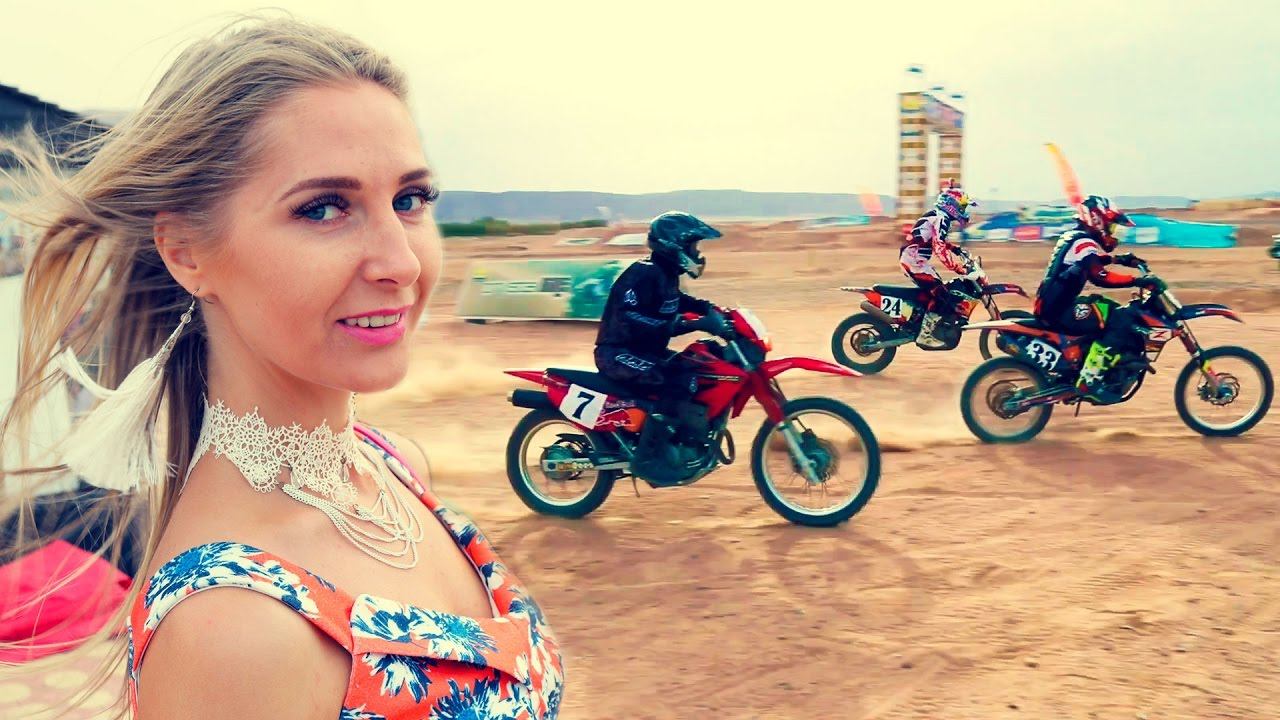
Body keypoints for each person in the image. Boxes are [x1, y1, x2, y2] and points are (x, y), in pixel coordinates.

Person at [0, 18, 563, 719]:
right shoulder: (231, 630)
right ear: (186, 252)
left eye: (410, 200)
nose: (401, 262)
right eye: (324, 208)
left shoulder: (395, 468)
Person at [594, 211, 729, 483]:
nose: (696, 252)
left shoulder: (665, 275)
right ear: (674, 246)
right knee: (672, 380)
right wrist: (693, 324)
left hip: (644, 352)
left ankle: (680, 444)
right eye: (692, 246)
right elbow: (633, 318)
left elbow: (678, 300)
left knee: (694, 370)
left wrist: (712, 310)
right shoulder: (642, 274)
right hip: (617, 353)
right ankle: (649, 460)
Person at [1033, 194, 1156, 401]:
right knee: (1117, 318)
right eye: (1112, 226)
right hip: (1058, 309)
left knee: (1108, 309)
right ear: (1097, 220)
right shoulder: (1083, 241)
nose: (1113, 232)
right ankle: (1089, 380)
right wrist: (1137, 281)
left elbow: (1091, 261)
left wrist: (1120, 260)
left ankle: (1089, 364)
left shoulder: (1076, 237)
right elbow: (1099, 276)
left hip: (1054, 305)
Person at [901, 180, 977, 348]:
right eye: (962, 207)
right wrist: (956, 267)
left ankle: (922, 323)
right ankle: (925, 335)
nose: (964, 211)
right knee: (941, 294)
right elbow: (939, 247)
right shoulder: (941, 218)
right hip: (915, 262)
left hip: (915, 260)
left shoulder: (938, 215)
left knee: (936, 292)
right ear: (952, 204)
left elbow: (934, 240)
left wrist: (954, 249)